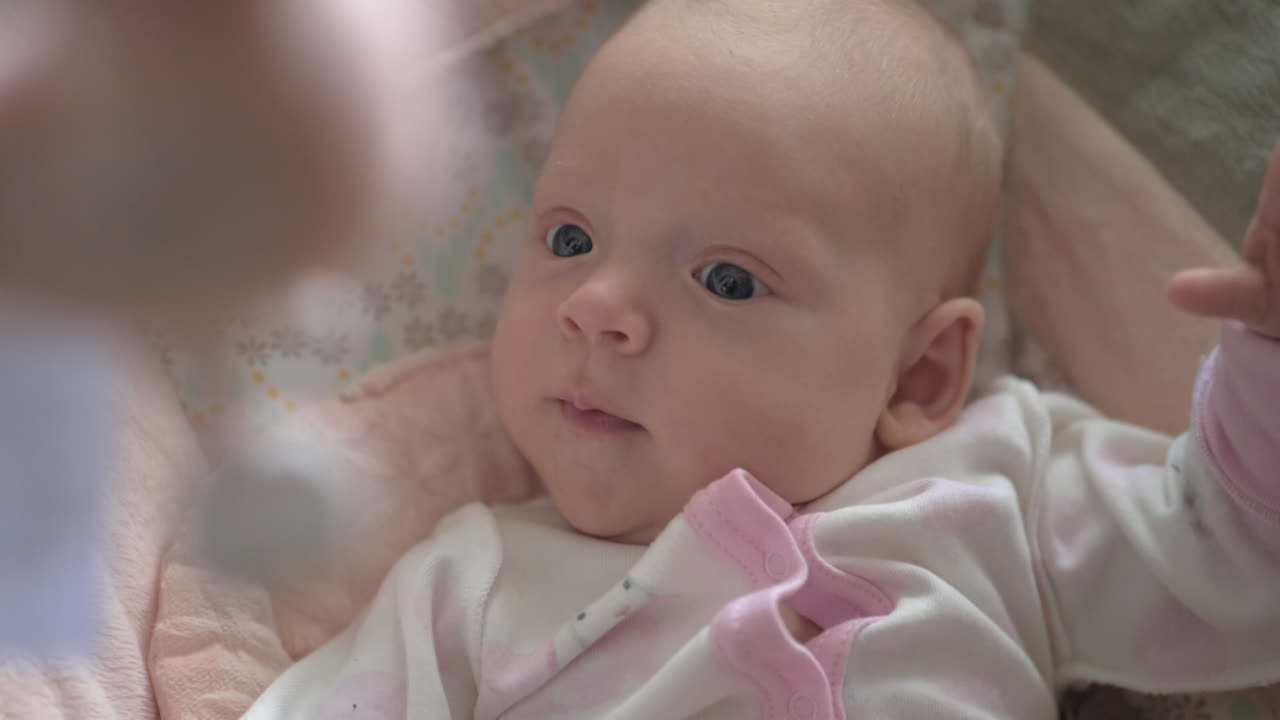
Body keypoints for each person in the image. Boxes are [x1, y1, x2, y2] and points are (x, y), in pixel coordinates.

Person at [244, 0, 1280, 716]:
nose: (596, 309)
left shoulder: (1001, 480)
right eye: (569, 241)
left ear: (918, 377)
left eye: (726, 280)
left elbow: (1232, 552)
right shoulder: (467, 587)